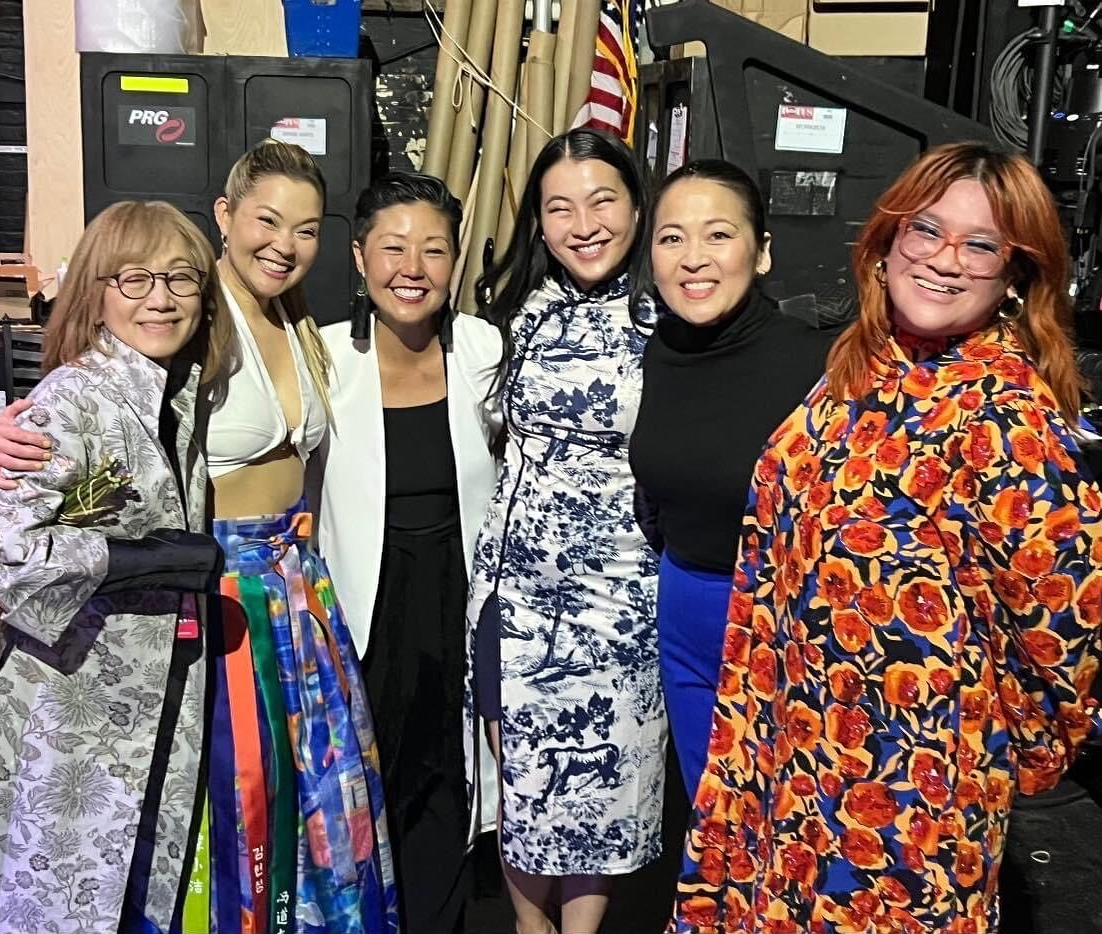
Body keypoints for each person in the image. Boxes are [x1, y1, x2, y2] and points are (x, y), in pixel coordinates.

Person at [672, 142, 1102, 933]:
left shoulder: (1007, 415)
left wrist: (979, 746)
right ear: (885, 243)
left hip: (906, 799)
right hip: (787, 753)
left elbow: (1067, 633)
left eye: (979, 245)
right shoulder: (857, 368)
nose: (944, 260)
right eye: (925, 231)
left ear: (1014, 276)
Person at [0, 141, 396, 934]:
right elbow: (96, 387)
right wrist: (6, 431)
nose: (285, 244)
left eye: (306, 229)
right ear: (226, 217)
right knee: (231, 798)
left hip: (293, 586)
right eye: (267, 221)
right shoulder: (197, 320)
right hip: (214, 581)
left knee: (311, 792)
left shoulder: (296, 319)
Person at [0, 201, 230, 931]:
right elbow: (4, 557)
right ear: (95, 291)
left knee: (119, 899)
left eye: (180, 279)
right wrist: (133, 559)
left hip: (146, 702)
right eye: (133, 278)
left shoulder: (177, 396)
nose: (159, 298)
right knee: (62, 906)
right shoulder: (70, 401)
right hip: (68, 716)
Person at [466, 127, 666, 934]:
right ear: (537, 224)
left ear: (634, 206)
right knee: (522, 776)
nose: (582, 223)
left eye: (601, 200)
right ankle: (528, 927)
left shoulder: (666, 311)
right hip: (510, 595)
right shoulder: (516, 313)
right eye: (559, 207)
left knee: (601, 787)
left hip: (617, 599)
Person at [315, 173, 502, 933]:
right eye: (393, 249)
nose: (412, 268)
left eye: (433, 249)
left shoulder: (485, 350)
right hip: (364, 604)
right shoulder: (324, 357)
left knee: (452, 780)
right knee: (366, 782)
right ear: (360, 258)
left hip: (457, 598)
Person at [628, 160, 835, 800]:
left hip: (784, 625)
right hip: (685, 612)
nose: (693, 258)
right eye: (671, 238)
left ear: (763, 253)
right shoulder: (662, 349)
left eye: (718, 235)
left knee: (790, 825)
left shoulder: (817, 364)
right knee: (711, 819)